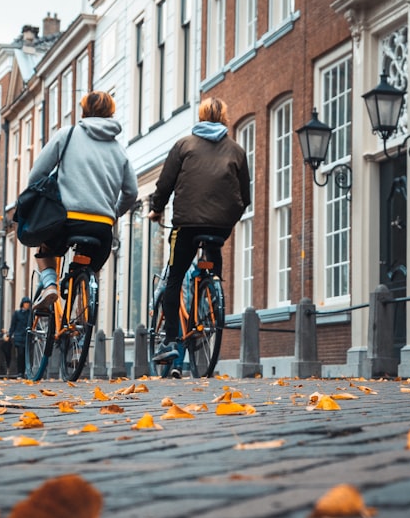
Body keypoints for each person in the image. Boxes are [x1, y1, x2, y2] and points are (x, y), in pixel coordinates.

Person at [147, 97, 251, 378]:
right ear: (225, 118)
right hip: (219, 227)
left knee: (174, 280)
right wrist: (227, 219)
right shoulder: (237, 151)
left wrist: (156, 209)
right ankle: (211, 288)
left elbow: (165, 183)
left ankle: (170, 340)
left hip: (186, 225)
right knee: (211, 262)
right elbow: (246, 197)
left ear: (201, 116)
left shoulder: (184, 145)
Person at [28, 91, 138, 310]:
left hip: (66, 221)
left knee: (45, 247)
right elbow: (131, 192)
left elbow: (36, 176)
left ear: (84, 110)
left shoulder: (67, 135)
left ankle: (50, 286)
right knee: (89, 270)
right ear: (111, 113)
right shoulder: (119, 149)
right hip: (102, 228)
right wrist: (113, 213)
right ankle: (80, 323)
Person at [7, 297, 31, 376]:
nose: (27, 305)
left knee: (25, 355)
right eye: (26, 303)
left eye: (28, 303)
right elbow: (13, 325)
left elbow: (34, 324)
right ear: (22, 304)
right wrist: (9, 335)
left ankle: (24, 372)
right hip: (19, 336)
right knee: (20, 354)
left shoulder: (30, 314)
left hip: (27, 337)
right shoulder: (17, 314)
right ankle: (20, 372)